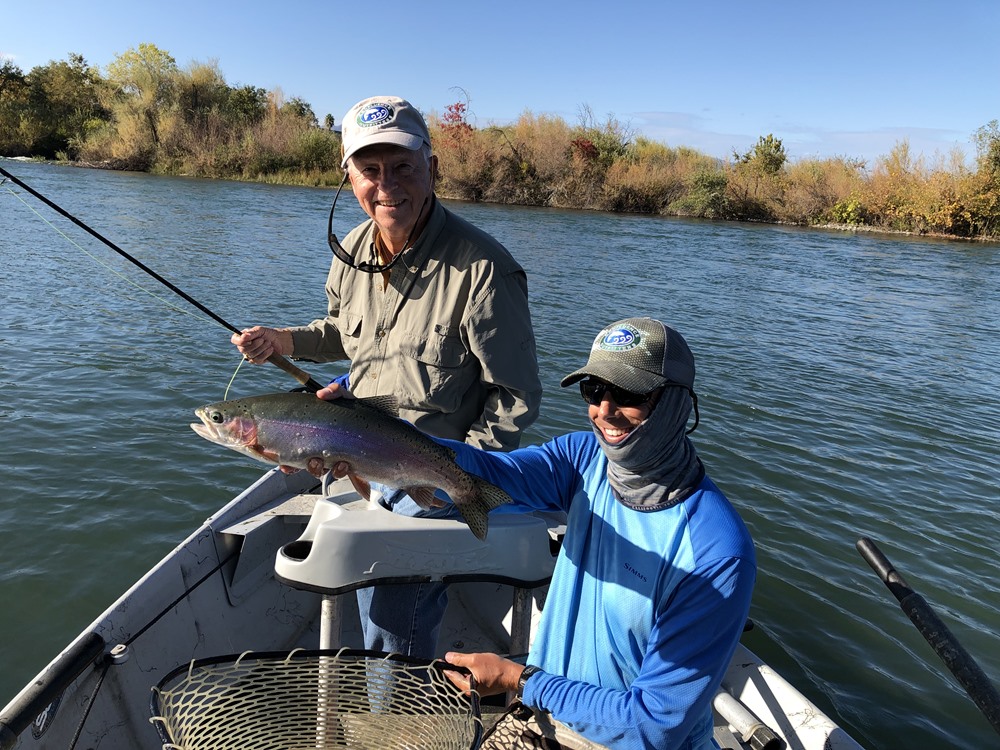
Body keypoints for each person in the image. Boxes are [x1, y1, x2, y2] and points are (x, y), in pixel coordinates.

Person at [231, 95, 542, 658]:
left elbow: (515, 397)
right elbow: (341, 332)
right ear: (346, 175)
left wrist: (459, 472)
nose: (386, 185)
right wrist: (284, 341)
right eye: (369, 170)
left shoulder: (484, 269)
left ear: (432, 167)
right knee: (369, 595)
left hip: (435, 469)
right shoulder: (349, 249)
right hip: (357, 447)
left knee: (394, 614)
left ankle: (401, 715)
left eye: (403, 167)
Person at [440, 317, 756, 750]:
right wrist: (366, 435)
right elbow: (487, 473)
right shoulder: (584, 460)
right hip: (544, 714)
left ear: (678, 403)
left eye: (628, 395)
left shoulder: (716, 551)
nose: (604, 410)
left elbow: (651, 728)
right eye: (594, 390)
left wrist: (518, 678)